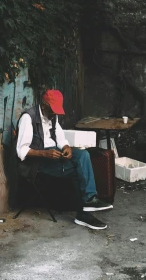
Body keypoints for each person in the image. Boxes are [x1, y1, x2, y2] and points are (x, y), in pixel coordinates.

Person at [16, 89, 113, 230]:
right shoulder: (28, 118)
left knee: (83, 155)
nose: (54, 113)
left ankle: (89, 202)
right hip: (36, 163)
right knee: (78, 168)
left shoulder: (51, 116)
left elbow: (61, 138)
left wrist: (66, 147)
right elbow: (21, 151)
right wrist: (45, 154)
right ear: (43, 105)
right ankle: (85, 211)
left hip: (53, 155)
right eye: (52, 110)